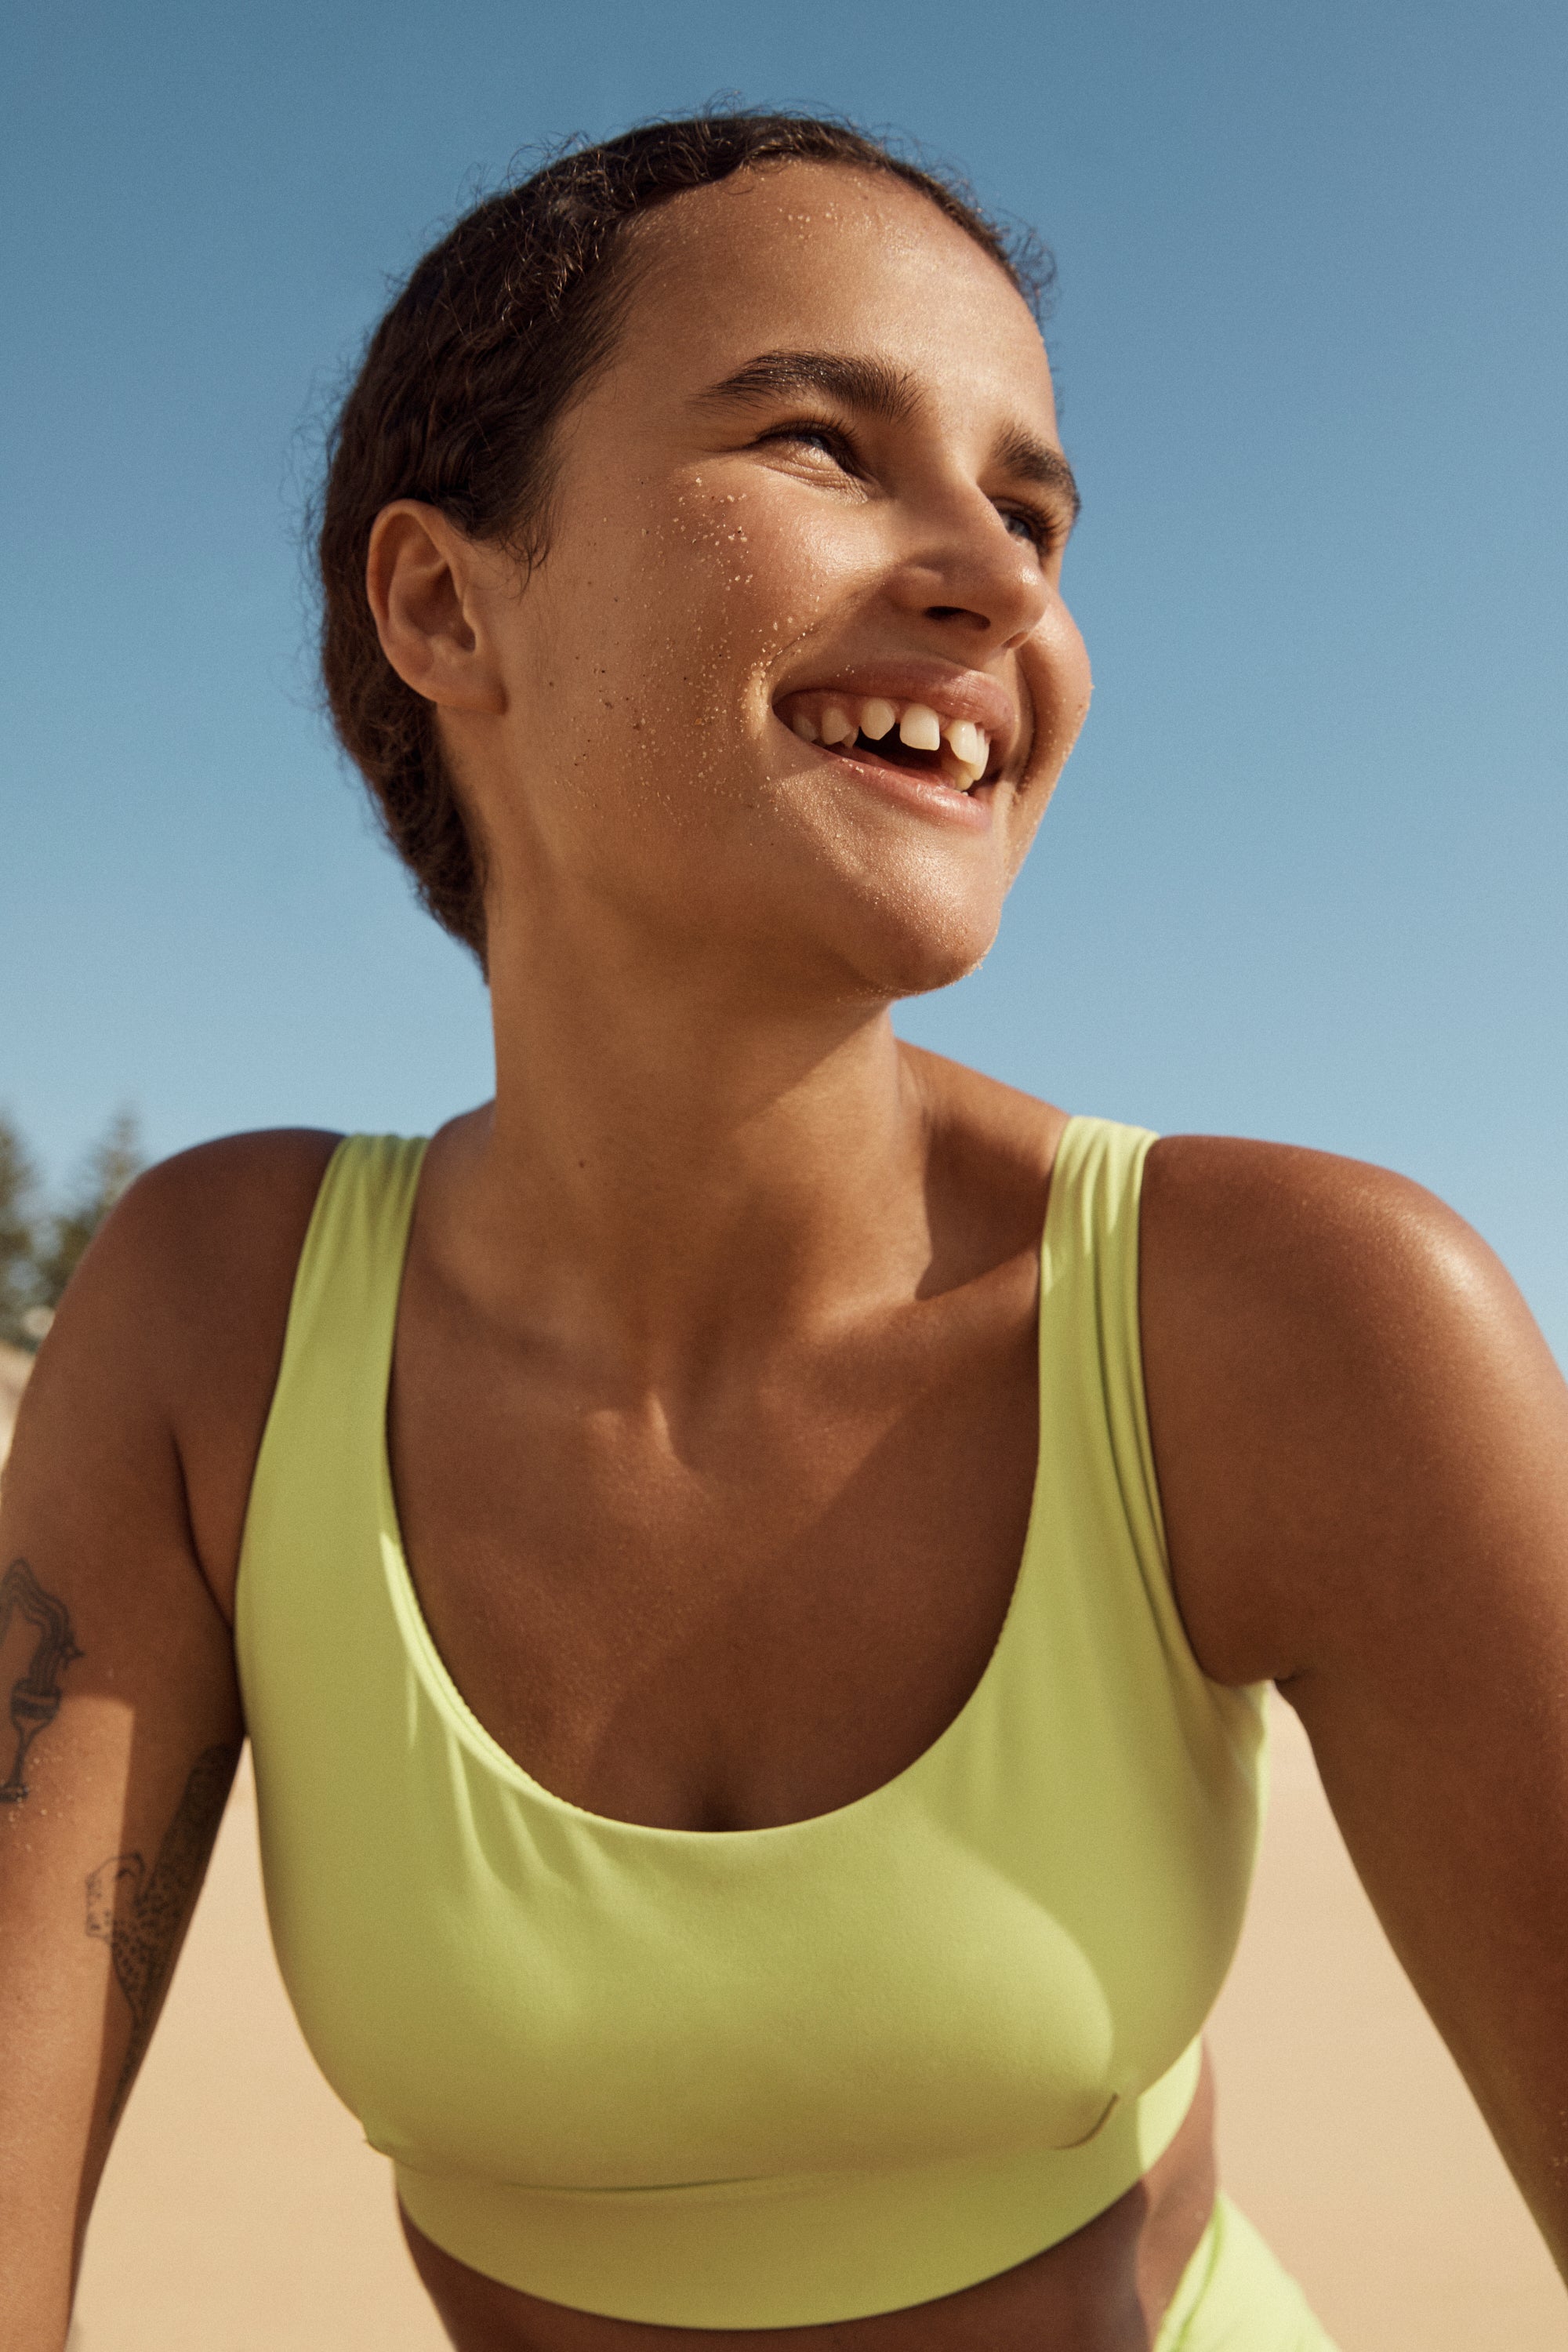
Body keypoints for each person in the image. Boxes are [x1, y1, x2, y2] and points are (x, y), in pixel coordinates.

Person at [2, 110, 1566, 2352]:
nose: (1004, 578)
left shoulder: (1298, 1327)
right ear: (450, 604)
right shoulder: (214, 1328)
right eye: (829, 443)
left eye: (1033, 510)